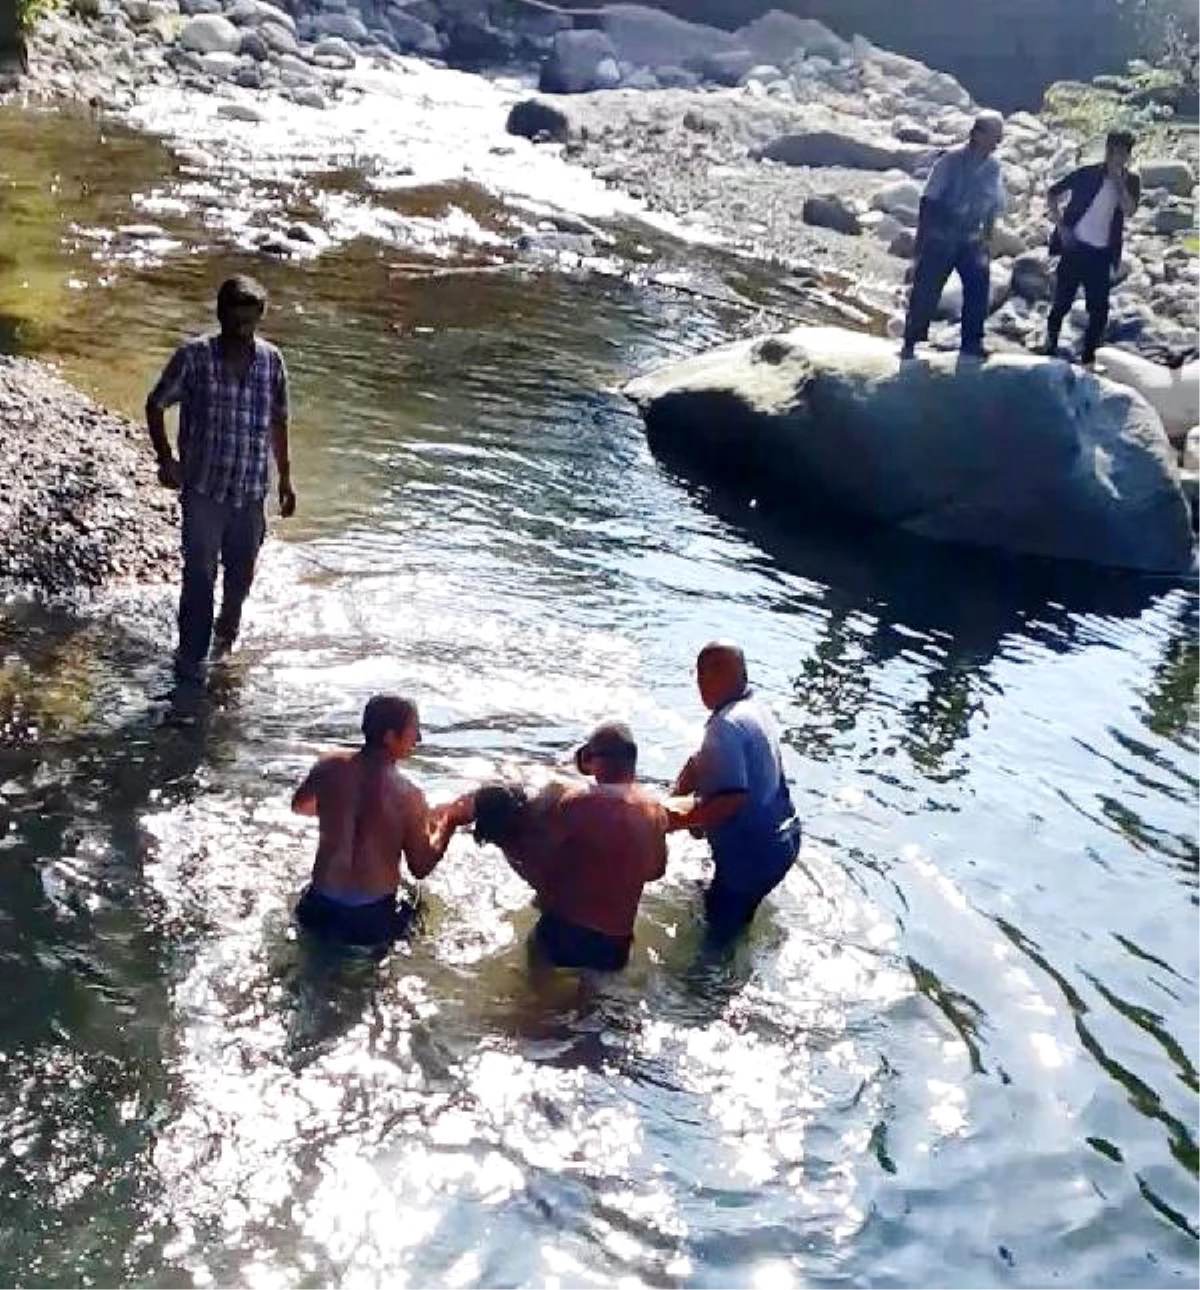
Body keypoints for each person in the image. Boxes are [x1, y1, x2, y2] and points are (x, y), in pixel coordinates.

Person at [146, 275, 296, 683]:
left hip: (250, 492)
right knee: (198, 575)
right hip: (204, 490)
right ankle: (190, 658)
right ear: (221, 315)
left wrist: (285, 479)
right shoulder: (194, 357)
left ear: (260, 319)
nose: (241, 331)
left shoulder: (271, 361)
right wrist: (166, 459)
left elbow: (278, 422)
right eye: (234, 322)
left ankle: (225, 643)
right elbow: (156, 403)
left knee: (241, 575)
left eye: (249, 322)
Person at [437, 722, 672, 971]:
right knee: (595, 1003)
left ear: (593, 760)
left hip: (565, 931)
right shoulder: (654, 811)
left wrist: (498, 834)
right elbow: (655, 871)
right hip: (616, 942)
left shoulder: (577, 803)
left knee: (537, 995)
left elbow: (539, 855)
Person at [291, 695, 448, 948]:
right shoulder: (409, 795)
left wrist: (342, 811)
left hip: (317, 907)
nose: (418, 739)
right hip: (371, 919)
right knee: (420, 907)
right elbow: (420, 867)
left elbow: (300, 807)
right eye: (413, 731)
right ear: (389, 736)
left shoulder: (328, 766)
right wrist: (447, 823)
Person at [670, 643, 801, 941]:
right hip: (784, 840)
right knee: (727, 907)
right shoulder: (752, 708)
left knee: (717, 941)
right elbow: (703, 759)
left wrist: (675, 821)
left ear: (707, 678)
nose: (699, 683)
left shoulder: (725, 726)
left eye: (702, 675)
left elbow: (732, 801)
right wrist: (679, 791)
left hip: (752, 856)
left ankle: (708, 986)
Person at [900, 112, 1007, 362]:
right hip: (942, 234)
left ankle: (972, 342)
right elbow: (929, 200)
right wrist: (922, 241)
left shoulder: (993, 167)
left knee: (978, 287)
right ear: (978, 134)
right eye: (994, 136)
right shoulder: (950, 161)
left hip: (971, 238)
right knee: (926, 288)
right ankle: (911, 340)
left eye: (999, 137)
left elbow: (993, 204)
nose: (997, 142)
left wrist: (987, 238)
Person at [1043, 130, 1141, 369]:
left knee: (1099, 311)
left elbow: (1129, 210)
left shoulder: (1131, 181)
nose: (1116, 158)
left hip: (1101, 253)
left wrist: (1118, 183)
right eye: (1113, 152)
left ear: (1128, 156)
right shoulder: (1087, 174)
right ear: (1106, 150)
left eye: (1122, 154)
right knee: (1062, 302)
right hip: (1075, 247)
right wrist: (1061, 227)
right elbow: (1052, 193)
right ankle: (1050, 344)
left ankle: (1088, 359)